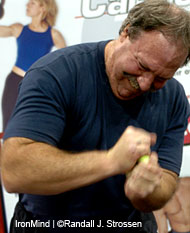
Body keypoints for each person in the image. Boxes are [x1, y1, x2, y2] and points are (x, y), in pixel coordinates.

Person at [1, 0, 190, 232]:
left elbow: (167, 180)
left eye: (161, 77)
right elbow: (15, 172)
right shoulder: (56, 74)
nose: (144, 83)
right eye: (142, 65)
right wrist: (110, 161)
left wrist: (146, 190)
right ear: (126, 32)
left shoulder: (174, 97)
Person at [0, 0, 66, 131]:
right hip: (14, 82)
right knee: (8, 128)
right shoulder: (18, 29)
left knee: (30, 129)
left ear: (43, 8)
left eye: (32, 3)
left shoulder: (54, 34)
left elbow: (67, 60)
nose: (27, 5)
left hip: (36, 85)